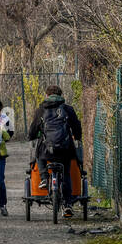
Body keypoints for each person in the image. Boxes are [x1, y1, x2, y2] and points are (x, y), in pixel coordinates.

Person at [27, 85, 83, 218]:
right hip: (65, 149)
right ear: (61, 95)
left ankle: (44, 178)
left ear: (47, 95)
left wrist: (32, 137)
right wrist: (77, 137)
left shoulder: (41, 109)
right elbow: (76, 127)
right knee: (66, 173)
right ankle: (68, 205)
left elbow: (33, 129)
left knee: (39, 156)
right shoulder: (68, 109)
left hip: (47, 149)